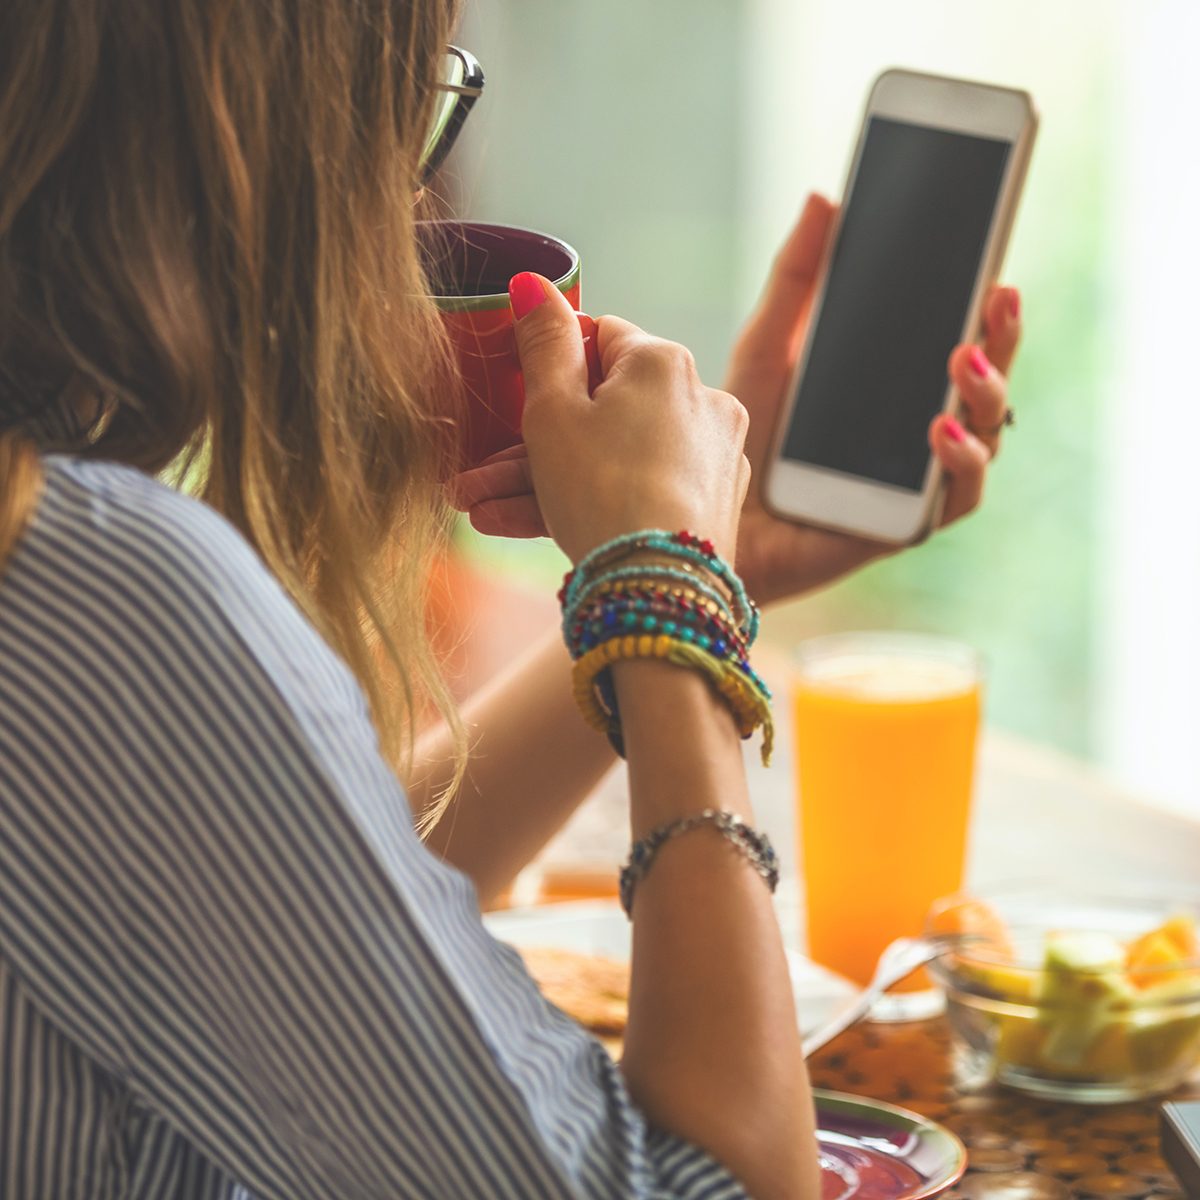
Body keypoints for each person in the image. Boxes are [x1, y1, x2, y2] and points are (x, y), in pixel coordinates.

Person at [0, 2, 1020, 1197]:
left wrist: (693, 568)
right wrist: (664, 593)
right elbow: (727, 1183)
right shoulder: (106, 590)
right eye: (409, 100)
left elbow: (291, 897)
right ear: (260, 125)